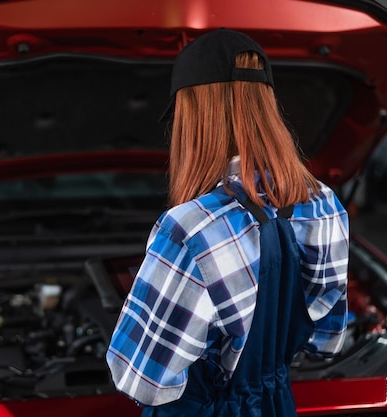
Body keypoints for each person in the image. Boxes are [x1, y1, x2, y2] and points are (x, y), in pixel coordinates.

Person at [105, 28, 349, 417]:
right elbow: (328, 339)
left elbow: (144, 380)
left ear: (192, 118)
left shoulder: (191, 229)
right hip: (277, 405)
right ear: (267, 106)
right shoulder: (324, 203)